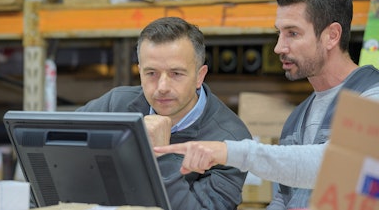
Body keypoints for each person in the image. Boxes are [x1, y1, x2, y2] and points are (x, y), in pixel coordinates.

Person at [154, 0, 379, 209]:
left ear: (332, 35)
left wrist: (228, 151)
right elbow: (285, 198)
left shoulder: (371, 96)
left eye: (293, 33)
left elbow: (333, 165)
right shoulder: (297, 118)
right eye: (279, 33)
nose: (279, 47)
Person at [76, 16, 253, 210]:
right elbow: (54, 147)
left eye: (176, 74)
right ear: (140, 72)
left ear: (199, 76)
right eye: (151, 73)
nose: (162, 87)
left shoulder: (231, 140)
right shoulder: (115, 106)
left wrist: (162, 155)